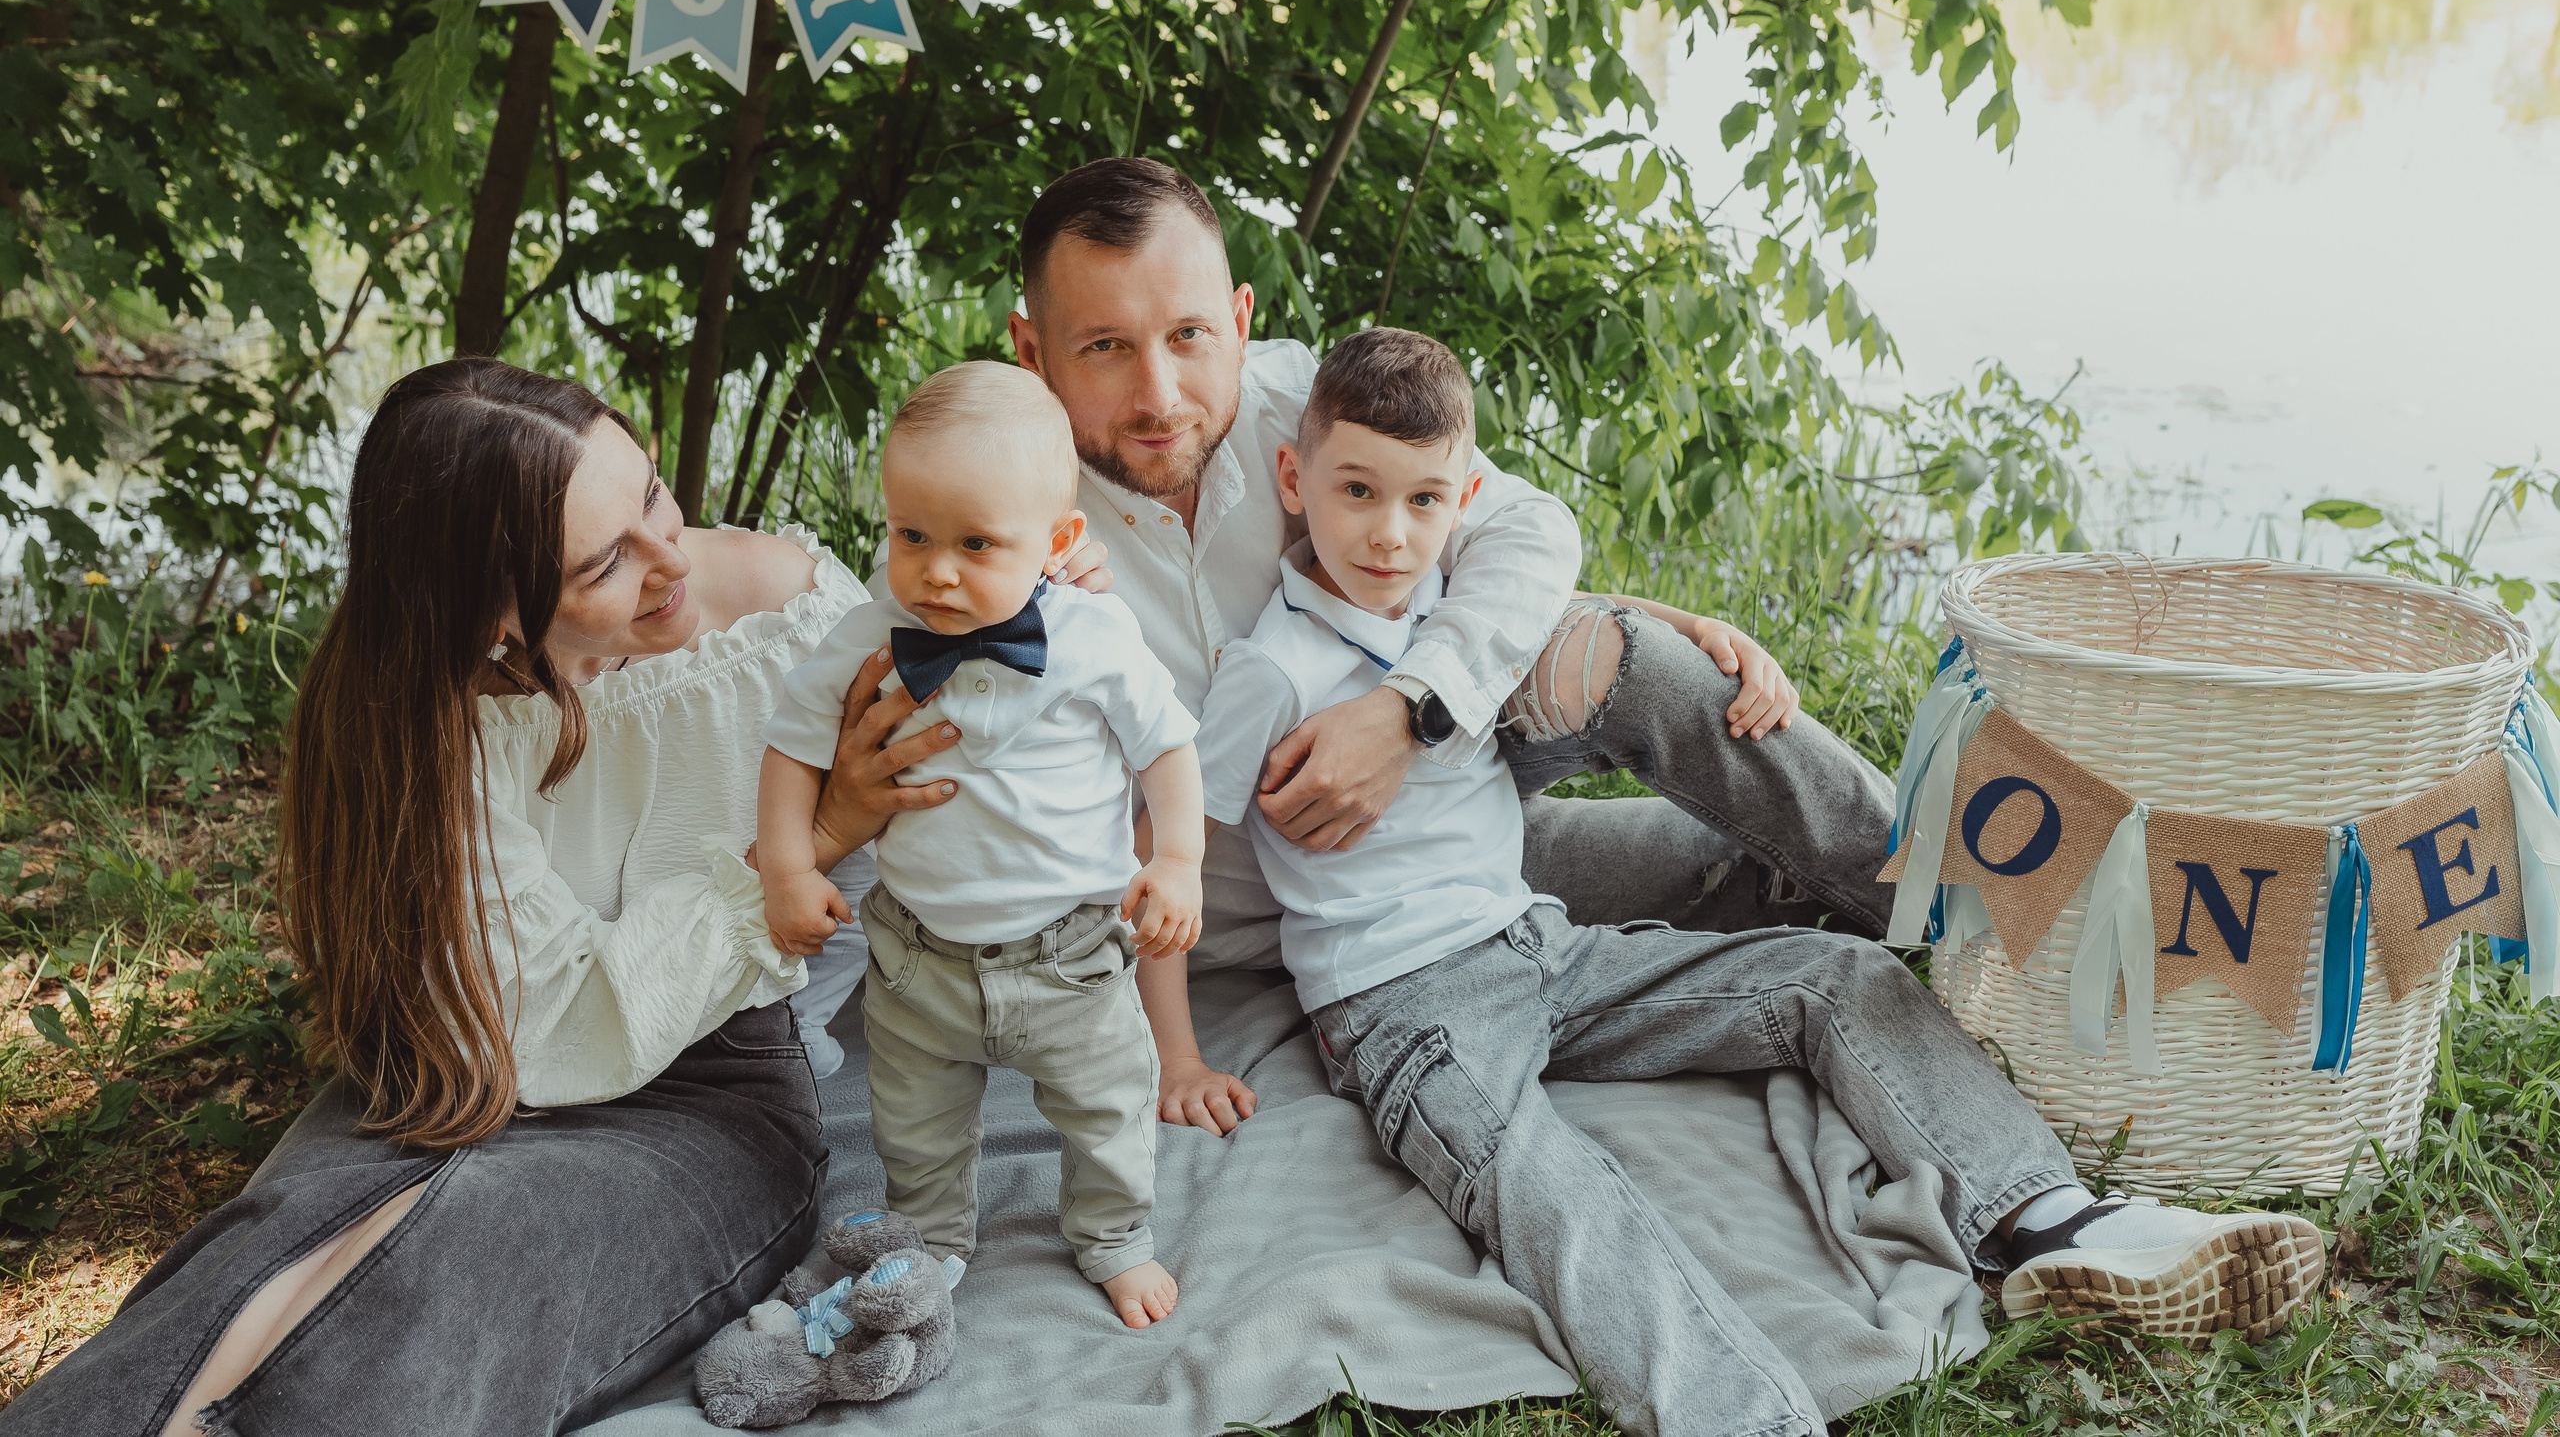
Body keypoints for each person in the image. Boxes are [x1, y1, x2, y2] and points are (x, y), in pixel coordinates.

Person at [1168, 327, 2326, 1437]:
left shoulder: (1441, 606)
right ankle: (1743, 1414)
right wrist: (1175, 1053)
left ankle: (2046, 1217)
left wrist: (1693, 625)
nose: (1387, 531)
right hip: (1408, 1011)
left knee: (1837, 973)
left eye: (1422, 500)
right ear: (1295, 481)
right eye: (1357, 492)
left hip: (1538, 947)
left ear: (1461, 499)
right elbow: (1166, 858)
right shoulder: (1273, 670)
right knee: (1555, 1187)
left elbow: (1559, 613)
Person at [0, 361, 964, 1437]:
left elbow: (989, 753)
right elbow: (535, 1014)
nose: (669, 557)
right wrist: (809, 841)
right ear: (490, 612)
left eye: (651, 494)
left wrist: (1054, 610)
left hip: (706, 1088)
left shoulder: (791, 616)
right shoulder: (424, 714)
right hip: (466, 1055)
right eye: (603, 561)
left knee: (450, 1273)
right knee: (273, 1263)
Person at [1001, 156, 1889, 1136]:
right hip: (1316, 932)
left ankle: (1940, 893)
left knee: (1624, 653)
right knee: (1743, 877)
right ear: (1031, 351)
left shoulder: (1301, 404)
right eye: (1104, 347)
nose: (1159, 393)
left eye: (1188, 335)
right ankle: (1824, 908)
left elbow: (1516, 529)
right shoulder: (984, 526)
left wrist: (1405, 714)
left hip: (1447, 814)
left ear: (1240, 320)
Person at [752, 362, 1206, 1330]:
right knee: (913, 1124)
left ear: (1058, 543)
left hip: (1073, 957)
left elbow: (1167, 746)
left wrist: (1177, 861)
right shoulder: (872, 630)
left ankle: (1114, 1234)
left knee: (1110, 1108)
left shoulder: (1095, 634)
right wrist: (788, 865)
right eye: (910, 535)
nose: (937, 571)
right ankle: (932, 1241)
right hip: (920, 960)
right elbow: (793, 744)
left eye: (975, 543)